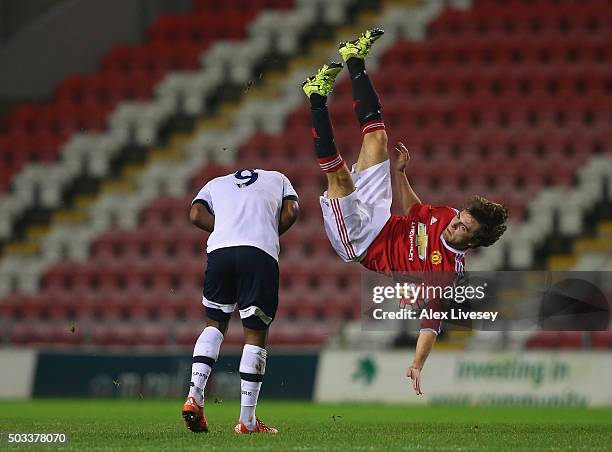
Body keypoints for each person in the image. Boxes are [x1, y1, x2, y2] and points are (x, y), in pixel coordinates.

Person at [302, 29, 508, 396]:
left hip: (361, 244)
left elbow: (431, 323)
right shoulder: (446, 215)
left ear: (473, 242)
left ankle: (315, 98)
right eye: (460, 217)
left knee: (340, 179)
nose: (454, 224)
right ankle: (354, 59)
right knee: (377, 138)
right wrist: (400, 174)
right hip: (383, 217)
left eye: (462, 228)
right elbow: (415, 211)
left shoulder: (446, 273)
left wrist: (417, 364)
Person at [182, 168, 299, 434]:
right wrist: (265, 231)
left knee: (214, 324)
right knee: (255, 334)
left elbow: (195, 213)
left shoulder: (215, 182)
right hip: (259, 251)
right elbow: (292, 211)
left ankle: (194, 395)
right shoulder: (279, 178)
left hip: (220, 251)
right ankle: (246, 421)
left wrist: (227, 227)